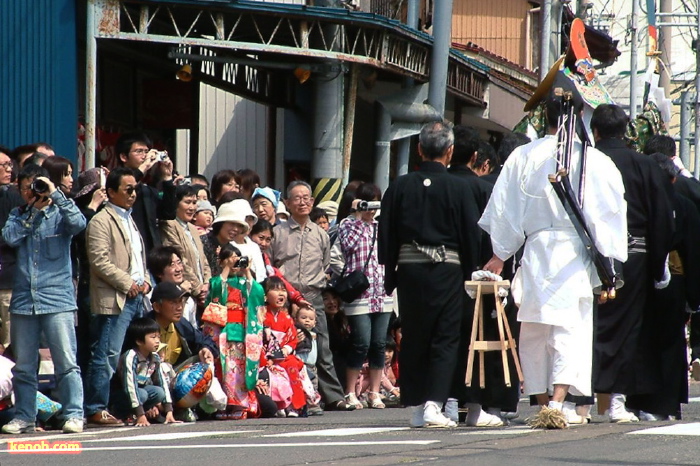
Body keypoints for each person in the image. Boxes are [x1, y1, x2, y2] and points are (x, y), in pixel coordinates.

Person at [479, 80, 628, 427]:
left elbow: (505, 209)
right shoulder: (594, 160)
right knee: (569, 329)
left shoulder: (523, 156)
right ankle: (558, 402)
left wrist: (502, 252)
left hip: (536, 249)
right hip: (574, 250)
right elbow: (610, 212)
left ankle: (542, 401)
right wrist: (610, 263)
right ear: (577, 116)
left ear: (544, 115)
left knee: (533, 328)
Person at [378, 121, 484, 428]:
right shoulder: (459, 187)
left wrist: (390, 272)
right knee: (444, 337)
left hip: (409, 270)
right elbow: (471, 235)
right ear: (449, 152)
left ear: (420, 149)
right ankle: (434, 404)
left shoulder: (399, 186)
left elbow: (386, 234)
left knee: (414, 336)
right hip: (446, 270)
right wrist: (470, 269)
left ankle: (417, 404)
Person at [590, 104, 675, 423]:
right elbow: (662, 218)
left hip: (583, 254)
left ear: (594, 131)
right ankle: (616, 399)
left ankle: (574, 400)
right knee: (627, 327)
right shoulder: (643, 165)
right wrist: (658, 264)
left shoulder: (583, 162)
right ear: (625, 131)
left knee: (585, 324)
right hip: (633, 254)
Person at [1, 165, 86, 434]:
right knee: (24, 366)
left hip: (57, 297)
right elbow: (10, 238)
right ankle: (26, 416)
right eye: (26, 187)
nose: (32, 192)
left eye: (36, 186)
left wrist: (56, 195)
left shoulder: (62, 213)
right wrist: (33, 214)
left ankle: (74, 414)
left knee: (66, 361)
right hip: (24, 299)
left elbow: (79, 223)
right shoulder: (17, 215)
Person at [270, 181, 355, 411]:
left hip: (313, 295)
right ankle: (291, 398)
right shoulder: (277, 233)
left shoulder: (321, 234)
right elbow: (271, 266)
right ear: (287, 203)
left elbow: (325, 264)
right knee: (287, 346)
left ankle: (333, 396)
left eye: (307, 197)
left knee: (321, 347)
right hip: (284, 296)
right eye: (297, 198)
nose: (303, 202)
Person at [630, 153, 700, 420]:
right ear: (673, 178)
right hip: (675, 277)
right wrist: (694, 296)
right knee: (671, 343)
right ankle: (667, 404)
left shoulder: (636, 203)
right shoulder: (684, 205)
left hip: (641, 274)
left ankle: (639, 400)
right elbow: (693, 252)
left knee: (642, 338)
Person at [84, 167, 152, 426]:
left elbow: (136, 259)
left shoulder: (129, 218)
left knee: (128, 356)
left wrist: (144, 279)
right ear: (111, 192)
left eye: (136, 189)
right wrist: (128, 282)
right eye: (128, 189)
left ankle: (121, 405)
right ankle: (95, 407)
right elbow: (99, 261)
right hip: (115, 297)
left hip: (136, 295)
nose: (134, 194)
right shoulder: (101, 220)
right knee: (106, 354)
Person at [338, 183, 393, 410]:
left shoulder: (382, 227)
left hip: (382, 292)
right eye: (366, 202)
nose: (370, 208)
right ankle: (350, 392)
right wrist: (358, 216)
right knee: (360, 342)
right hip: (360, 292)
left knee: (379, 344)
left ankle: (374, 392)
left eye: (374, 203)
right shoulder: (347, 225)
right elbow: (348, 246)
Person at [202, 244, 264, 419]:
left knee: (237, 371)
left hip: (242, 332)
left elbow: (258, 293)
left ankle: (240, 406)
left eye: (238, 259)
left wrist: (247, 272)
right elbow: (215, 291)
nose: (236, 263)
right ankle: (221, 406)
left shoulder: (245, 282)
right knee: (224, 369)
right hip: (222, 331)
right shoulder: (217, 281)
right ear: (221, 261)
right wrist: (226, 269)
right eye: (231, 259)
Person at [115, 132, 177, 253]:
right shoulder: (113, 182)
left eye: (146, 151)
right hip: (126, 250)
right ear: (124, 157)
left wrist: (168, 178)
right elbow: (126, 190)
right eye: (139, 151)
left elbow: (168, 213)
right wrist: (144, 167)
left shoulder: (147, 189)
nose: (144, 156)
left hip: (149, 255)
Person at [113, 317, 178, 426]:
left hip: (140, 393)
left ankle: (144, 412)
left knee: (158, 392)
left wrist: (169, 411)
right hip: (123, 394)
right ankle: (127, 414)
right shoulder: (131, 356)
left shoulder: (154, 357)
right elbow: (130, 386)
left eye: (158, 336)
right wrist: (140, 414)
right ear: (139, 341)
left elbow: (161, 382)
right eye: (153, 337)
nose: (157, 341)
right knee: (142, 394)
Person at [260, 276, 310, 417]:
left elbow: (292, 339)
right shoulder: (261, 315)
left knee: (292, 364)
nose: (281, 294)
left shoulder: (286, 318)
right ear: (265, 295)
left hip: (282, 355)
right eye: (275, 290)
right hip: (264, 356)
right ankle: (279, 404)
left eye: (283, 290)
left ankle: (294, 405)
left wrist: (285, 350)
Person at [159, 184, 211, 305]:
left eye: (194, 202)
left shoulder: (193, 228)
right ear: (176, 203)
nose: (192, 207)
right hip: (184, 291)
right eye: (187, 202)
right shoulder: (169, 225)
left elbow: (203, 260)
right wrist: (198, 289)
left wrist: (207, 284)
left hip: (202, 292)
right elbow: (181, 259)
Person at [0, 146, 23, 354]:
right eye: (5, 165)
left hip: (7, 280)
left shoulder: (14, 198)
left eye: (10, 165)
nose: (10, 170)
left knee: (10, 341)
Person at [147, 246, 198, 327]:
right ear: (159, 273)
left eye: (179, 263)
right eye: (172, 265)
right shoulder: (151, 297)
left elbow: (192, 331)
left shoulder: (189, 298)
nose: (178, 269)